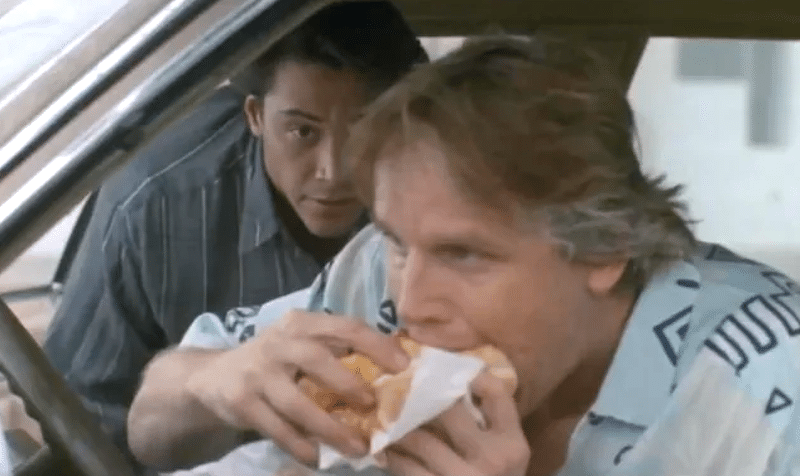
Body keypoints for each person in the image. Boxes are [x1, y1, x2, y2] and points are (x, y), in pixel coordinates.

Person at [128, 35, 800, 476]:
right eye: (397, 240)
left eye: (466, 255)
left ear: (605, 247)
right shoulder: (376, 270)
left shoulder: (769, 392)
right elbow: (149, 428)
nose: (412, 302)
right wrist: (210, 384)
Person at [42, 0, 427, 460]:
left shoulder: (431, 205)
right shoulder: (155, 201)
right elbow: (78, 417)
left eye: (365, 130)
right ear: (256, 117)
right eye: (304, 132)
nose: (333, 170)